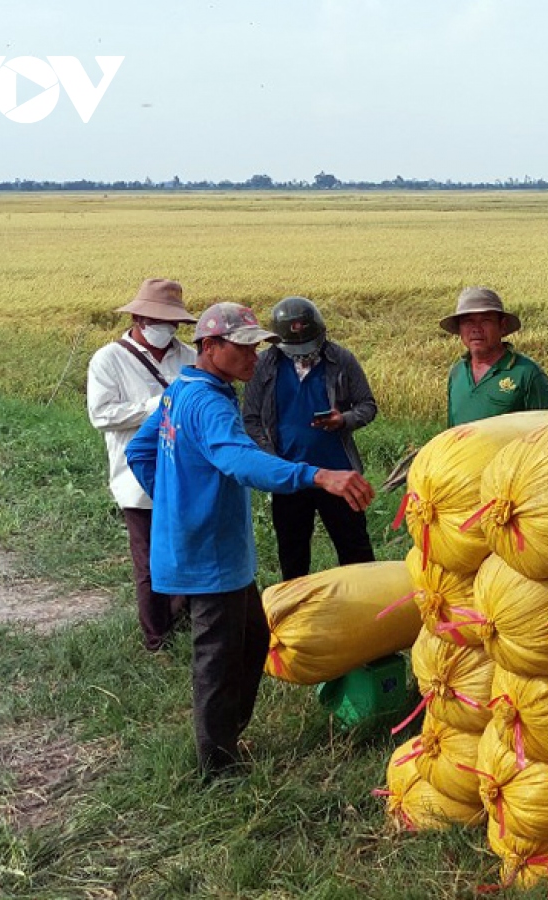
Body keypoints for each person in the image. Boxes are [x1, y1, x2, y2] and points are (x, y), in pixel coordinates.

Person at [127, 302, 375, 776]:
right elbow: (241, 460)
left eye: (257, 346)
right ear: (211, 347)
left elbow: (142, 450)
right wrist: (320, 475)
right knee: (217, 658)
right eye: (243, 348)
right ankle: (217, 765)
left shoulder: (181, 389)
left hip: (210, 548)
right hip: (210, 553)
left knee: (252, 637)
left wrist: (175, 501)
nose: (254, 357)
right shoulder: (211, 403)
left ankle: (227, 734)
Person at [86, 277, 197, 653]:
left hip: (184, 472)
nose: (167, 328)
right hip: (137, 476)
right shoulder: (109, 359)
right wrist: (154, 406)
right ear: (137, 317)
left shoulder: (189, 357)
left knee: (186, 550)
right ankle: (157, 638)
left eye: (173, 322)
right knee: (149, 560)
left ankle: (182, 618)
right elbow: (101, 415)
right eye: (157, 320)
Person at [243, 296, 378, 581]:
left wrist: (344, 419)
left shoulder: (341, 359)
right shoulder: (263, 365)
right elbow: (251, 419)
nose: (302, 354)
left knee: (356, 552)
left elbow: (367, 405)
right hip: (289, 477)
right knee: (293, 555)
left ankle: (368, 611)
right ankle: (297, 615)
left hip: (340, 475)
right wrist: (271, 460)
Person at [442, 286, 548, 427]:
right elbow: (451, 432)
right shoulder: (457, 373)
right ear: (460, 329)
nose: (476, 329)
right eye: (468, 322)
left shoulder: (527, 374)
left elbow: (544, 434)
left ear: (502, 326)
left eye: (485, 321)